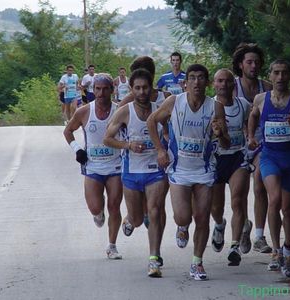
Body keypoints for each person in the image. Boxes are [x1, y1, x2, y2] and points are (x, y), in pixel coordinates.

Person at [147, 64, 230, 281]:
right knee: (183, 216)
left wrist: (220, 134)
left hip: (204, 169)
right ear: (185, 82)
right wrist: (160, 150)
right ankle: (182, 226)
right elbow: (151, 121)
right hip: (179, 169)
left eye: (201, 78)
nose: (196, 82)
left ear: (207, 83)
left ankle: (197, 263)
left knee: (202, 217)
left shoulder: (216, 106)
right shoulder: (175, 102)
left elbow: (227, 142)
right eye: (192, 78)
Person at [247, 59, 290, 277]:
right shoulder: (261, 98)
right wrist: (250, 137)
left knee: (287, 209)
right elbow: (252, 115)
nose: (280, 78)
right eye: (276, 73)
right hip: (269, 157)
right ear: (269, 75)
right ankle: (276, 252)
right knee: (274, 199)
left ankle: (288, 249)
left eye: (284, 73)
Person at [103, 68, 168, 278]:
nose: (141, 92)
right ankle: (129, 219)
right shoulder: (124, 111)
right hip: (131, 172)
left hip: (155, 171)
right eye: (137, 88)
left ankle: (153, 259)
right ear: (131, 89)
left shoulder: (160, 109)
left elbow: (169, 133)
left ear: (151, 89)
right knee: (138, 219)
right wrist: (128, 145)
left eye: (145, 87)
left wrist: (164, 147)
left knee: (155, 211)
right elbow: (107, 139)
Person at [63, 73, 123, 260]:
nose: (101, 93)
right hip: (92, 167)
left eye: (105, 89)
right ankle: (98, 213)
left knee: (115, 205)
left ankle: (112, 246)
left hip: (115, 166)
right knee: (96, 208)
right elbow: (68, 131)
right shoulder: (84, 112)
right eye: (97, 89)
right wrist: (77, 149)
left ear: (112, 90)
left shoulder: (120, 110)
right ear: (92, 90)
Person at [232, 43, 273, 254]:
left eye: (257, 62)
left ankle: (259, 236)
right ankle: (243, 224)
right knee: (237, 195)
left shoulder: (267, 87)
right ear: (240, 65)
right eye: (249, 62)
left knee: (259, 184)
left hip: (260, 143)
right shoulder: (231, 86)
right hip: (236, 145)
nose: (254, 66)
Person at [210, 69, 252, 267]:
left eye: (227, 81)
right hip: (217, 159)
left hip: (238, 157)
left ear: (233, 84)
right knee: (216, 207)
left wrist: (251, 139)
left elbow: (252, 125)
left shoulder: (243, 105)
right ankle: (219, 225)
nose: (224, 85)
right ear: (214, 84)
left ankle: (234, 246)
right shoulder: (209, 106)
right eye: (220, 81)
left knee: (238, 200)